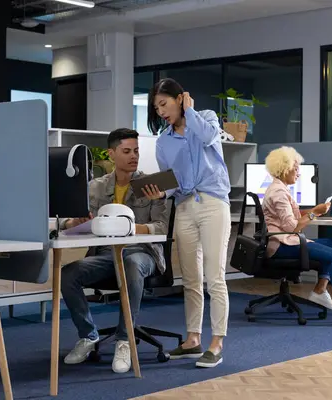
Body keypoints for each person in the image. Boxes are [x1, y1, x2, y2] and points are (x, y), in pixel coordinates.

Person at [59, 128, 170, 374]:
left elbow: (161, 227)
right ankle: (88, 336)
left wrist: (128, 228)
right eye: (127, 151)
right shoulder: (95, 187)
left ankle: (124, 340)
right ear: (111, 154)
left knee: (132, 264)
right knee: (68, 274)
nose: (134, 156)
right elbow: (68, 221)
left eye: (137, 151)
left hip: (142, 252)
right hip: (106, 254)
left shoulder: (151, 185)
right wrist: (72, 223)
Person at [148, 78, 231, 368]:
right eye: (156, 107)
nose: (160, 111)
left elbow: (209, 138)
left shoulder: (205, 119)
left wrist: (191, 111)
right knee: (191, 280)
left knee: (214, 276)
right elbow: (170, 180)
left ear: (179, 99)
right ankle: (193, 339)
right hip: (183, 207)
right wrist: (162, 191)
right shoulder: (163, 141)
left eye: (164, 104)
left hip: (212, 204)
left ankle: (216, 342)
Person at [262, 146, 332, 328]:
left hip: (288, 240)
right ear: (284, 168)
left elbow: (292, 218)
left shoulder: (280, 189)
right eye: (296, 169)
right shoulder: (279, 193)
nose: (299, 173)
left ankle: (320, 290)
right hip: (283, 244)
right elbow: (292, 227)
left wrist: (314, 211)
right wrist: (313, 214)